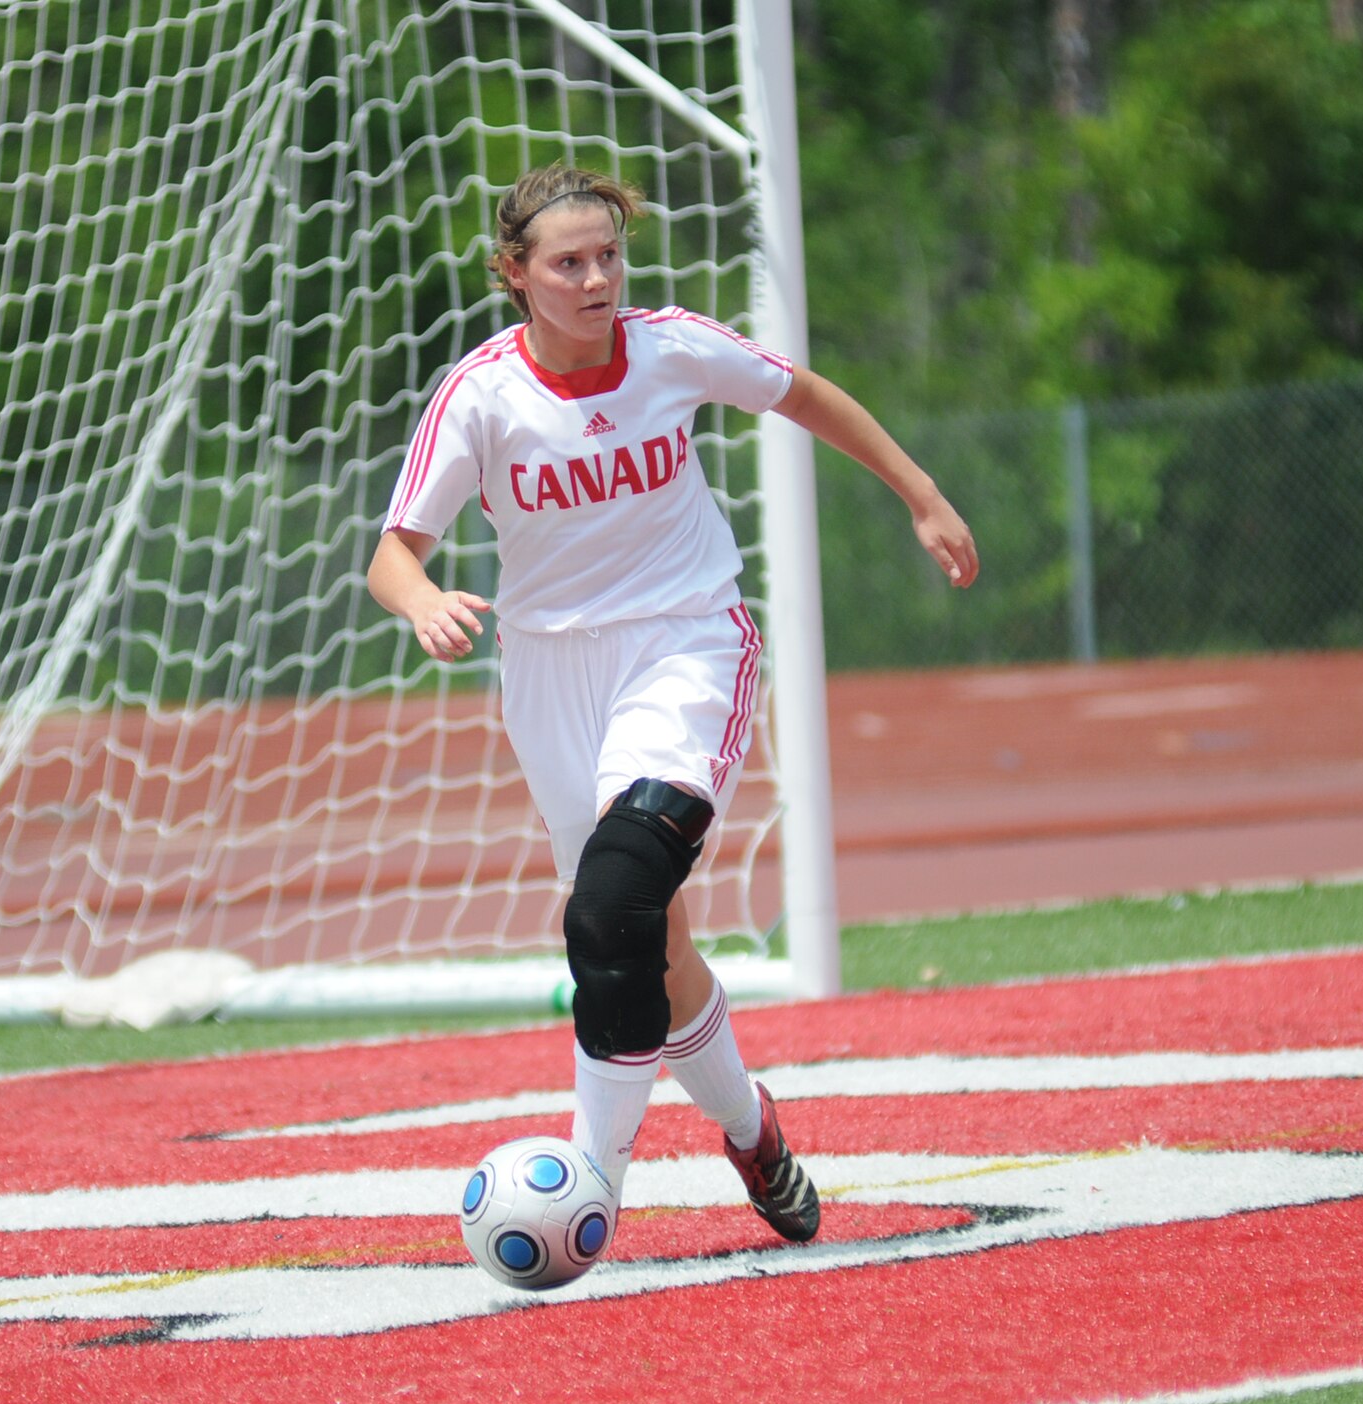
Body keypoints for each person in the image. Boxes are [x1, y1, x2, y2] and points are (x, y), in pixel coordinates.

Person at [368, 163, 978, 1245]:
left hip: (686, 640)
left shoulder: (671, 346)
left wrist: (920, 495)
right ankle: (752, 1134)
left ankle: (586, 1181)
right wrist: (420, 601)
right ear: (515, 274)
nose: (595, 278)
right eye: (566, 262)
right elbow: (392, 557)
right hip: (551, 676)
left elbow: (803, 393)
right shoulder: (481, 394)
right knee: (647, 944)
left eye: (606, 255)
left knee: (610, 901)